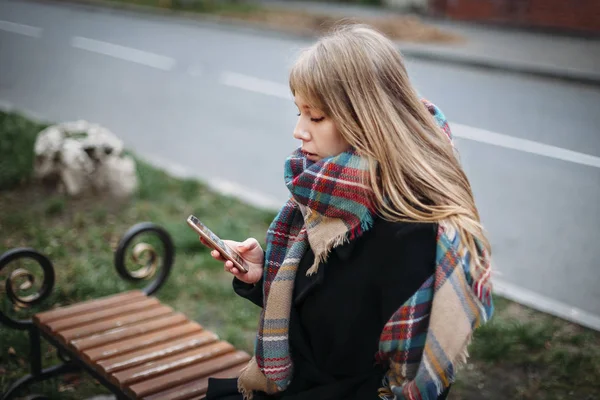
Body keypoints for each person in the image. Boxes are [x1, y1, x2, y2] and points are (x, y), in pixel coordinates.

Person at [201, 24, 494, 400]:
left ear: (366, 118)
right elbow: (326, 318)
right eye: (299, 112)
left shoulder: (412, 230)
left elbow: (407, 378)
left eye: (316, 117)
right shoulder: (332, 192)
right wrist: (263, 276)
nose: (298, 131)